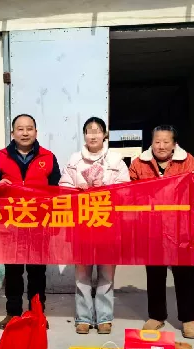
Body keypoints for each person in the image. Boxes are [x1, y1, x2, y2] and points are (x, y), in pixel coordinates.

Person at [0, 114, 61, 330]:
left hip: (39, 224)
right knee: (13, 271)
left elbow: (58, 190)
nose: (25, 133)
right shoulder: (1, 157)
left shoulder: (48, 157)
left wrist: (55, 222)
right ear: (13, 133)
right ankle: (13, 312)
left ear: (36, 132)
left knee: (37, 272)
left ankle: (37, 313)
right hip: (10, 224)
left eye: (29, 128)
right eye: (20, 129)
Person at [59, 117, 129, 335]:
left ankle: (104, 318)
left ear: (105, 134)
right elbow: (62, 187)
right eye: (89, 131)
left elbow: (126, 190)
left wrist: (106, 187)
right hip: (81, 225)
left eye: (97, 131)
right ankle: (83, 318)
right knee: (82, 273)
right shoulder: (74, 160)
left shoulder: (116, 160)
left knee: (106, 273)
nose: (93, 135)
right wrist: (75, 188)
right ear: (84, 136)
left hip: (108, 224)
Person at [129, 125, 194, 339]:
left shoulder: (189, 162)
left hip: (180, 227)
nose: (161, 146)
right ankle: (157, 315)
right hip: (151, 227)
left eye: (166, 142)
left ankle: (188, 318)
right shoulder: (139, 164)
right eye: (157, 141)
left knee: (184, 273)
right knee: (155, 273)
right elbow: (130, 192)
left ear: (174, 144)